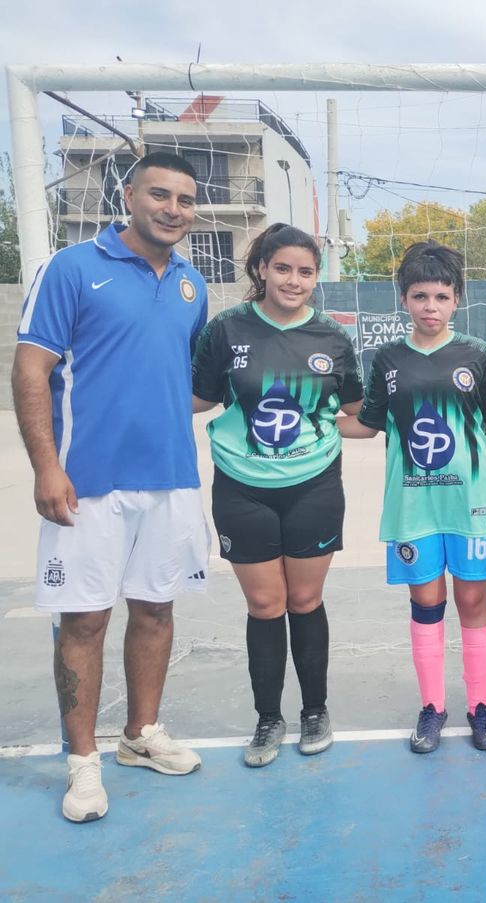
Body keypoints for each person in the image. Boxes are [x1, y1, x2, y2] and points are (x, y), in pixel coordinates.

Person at [13, 152, 208, 822]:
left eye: (184, 199)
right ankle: (83, 763)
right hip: (88, 482)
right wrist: (45, 463)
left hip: (173, 480)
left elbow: (180, 381)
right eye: (160, 194)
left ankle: (140, 734)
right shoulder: (71, 268)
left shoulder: (190, 282)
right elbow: (31, 370)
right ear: (129, 194)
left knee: (156, 609)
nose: (173, 209)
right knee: (85, 619)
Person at [191, 223, 363, 768]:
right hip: (243, 489)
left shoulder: (332, 338)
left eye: (305, 272)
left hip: (314, 485)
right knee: (265, 604)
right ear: (261, 269)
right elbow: (196, 399)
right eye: (283, 268)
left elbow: (356, 412)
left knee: (305, 601)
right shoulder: (227, 329)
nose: (293, 280)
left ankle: (316, 710)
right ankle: (268, 717)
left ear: (317, 278)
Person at [339, 242, 486, 754]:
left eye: (441, 295)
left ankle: (480, 705)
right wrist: (313, 421)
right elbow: (367, 425)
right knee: (426, 602)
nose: (430, 306)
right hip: (413, 504)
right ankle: (433, 706)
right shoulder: (387, 359)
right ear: (404, 300)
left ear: (457, 300)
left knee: (472, 599)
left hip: (471, 503)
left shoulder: (477, 356)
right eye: (419, 295)